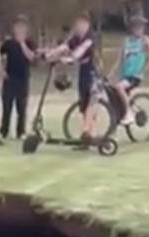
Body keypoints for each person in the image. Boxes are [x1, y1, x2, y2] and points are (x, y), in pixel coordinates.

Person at [45, 12, 98, 147]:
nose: (78, 26)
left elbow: (79, 52)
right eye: (77, 24)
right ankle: (88, 136)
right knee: (83, 104)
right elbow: (64, 46)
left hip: (94, 71)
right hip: (83, 72)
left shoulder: (90, 38)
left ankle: (87, 131)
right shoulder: (76, 37)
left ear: (87, 24)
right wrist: (50, 55)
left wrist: (68, 59)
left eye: (80, 24)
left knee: (92, 99)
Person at [108, 15, 149, 125]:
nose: (140, 29)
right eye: (138, 27)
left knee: (119, 87)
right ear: (132, 28)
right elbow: (119, 61)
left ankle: (129, 114)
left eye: (142, 27)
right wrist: (109, 75)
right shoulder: (126, 42)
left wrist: (144, 70)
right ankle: (118, 117)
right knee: (112, 91)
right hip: (125, 75)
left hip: (135, 76)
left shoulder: (144, 40)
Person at [0, 15, 37, 140]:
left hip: (23, 78)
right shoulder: (8, 43)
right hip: (9, 78)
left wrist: (22, 44)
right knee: (7, 106)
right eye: (18, 26)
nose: (20, 29)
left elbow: (31, 57)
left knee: (21, 107)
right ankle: (3, 131)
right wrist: (1, 70)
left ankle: (20, 131)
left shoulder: (30, 43)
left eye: (22, 26)